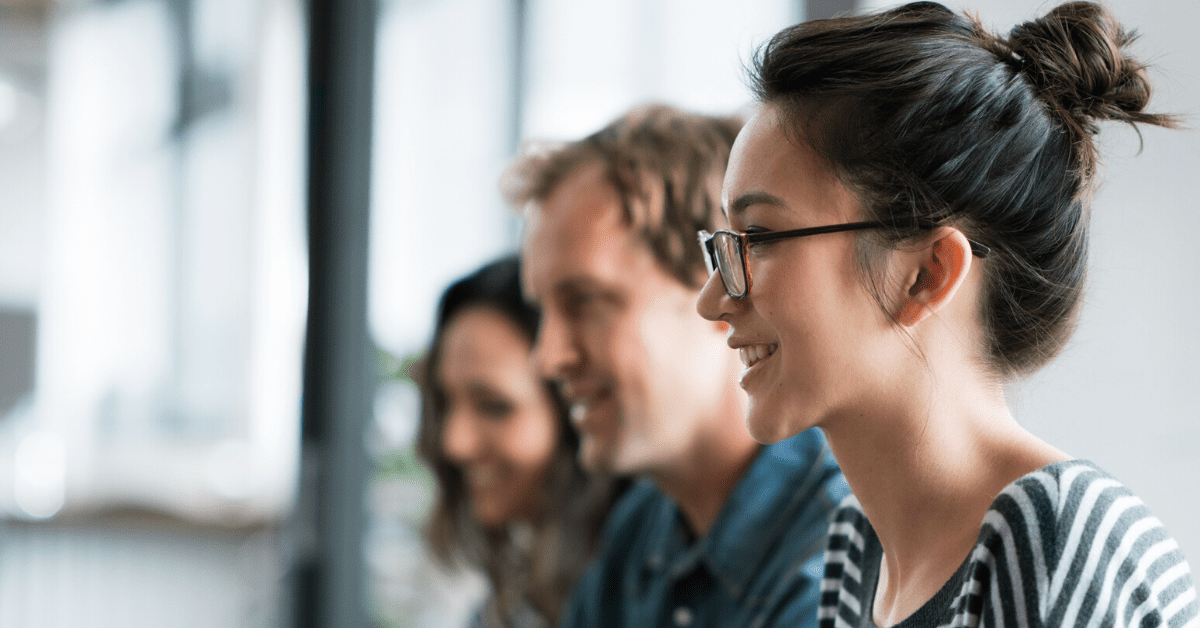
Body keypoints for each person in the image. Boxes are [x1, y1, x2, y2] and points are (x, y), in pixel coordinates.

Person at [695, 3, 1197, 628]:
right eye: (727, 243)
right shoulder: (859, 545)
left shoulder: (1056, 541)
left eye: (761, 238)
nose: (712, 299)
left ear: (927, 274)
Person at [507, 103, 849, 628]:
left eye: (585, 301)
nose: (548, 358)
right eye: (542, 312)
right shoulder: (644, 527)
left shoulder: (832, 571)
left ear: (720, 282)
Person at [416, 255, 627, 628]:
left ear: (576, 413)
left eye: (494, 407)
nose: (454, 442)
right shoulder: (509, 603)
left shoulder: (635, 596)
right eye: (445, 402)